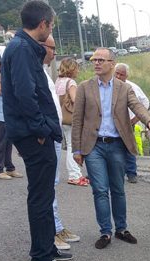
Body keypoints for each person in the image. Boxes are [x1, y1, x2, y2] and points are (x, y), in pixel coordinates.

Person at [2, 0, 71, 261]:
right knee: (41, 196)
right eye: (51, 25)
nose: (50, 29)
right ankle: (40, 258)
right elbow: (24, 96)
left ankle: (47, 250)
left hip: (35, 132)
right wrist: (41, 130)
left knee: (44, 193)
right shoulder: (21, 50)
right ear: (42, 24)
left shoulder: (25, 48)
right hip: (34, 135)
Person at [71, 48, 150, 249]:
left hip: (117, 146)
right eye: (94, 60)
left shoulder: (124, 88)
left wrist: (149, 122)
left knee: (118, 189)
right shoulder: (85, 87)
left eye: (101, 60)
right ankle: (105, 232)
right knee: (100, 190)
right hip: (94, 146)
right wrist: (76, 150)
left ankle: (121, 228)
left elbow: (137, 106)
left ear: (112, 63)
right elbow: (77, 120)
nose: (96, 63)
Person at [42, 35, 80, 249]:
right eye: (52, 48)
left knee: (52, 184)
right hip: (49, 133)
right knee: (48, 185)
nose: (55, 53)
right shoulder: (38, 70)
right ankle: (52, 232)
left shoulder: (52, 77)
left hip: (56, 129)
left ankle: (56, 227)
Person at [55, 57, 89, 187]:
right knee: (73, 146)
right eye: (77, 68)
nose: (78, 70)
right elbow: (76, 100)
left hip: (61, 118)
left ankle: (75, 174)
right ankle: (75, 175)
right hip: (71, 118)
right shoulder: (71, 82)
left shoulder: (58, 81)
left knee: (69, 144)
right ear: (72, 69)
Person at [114, 63, 150, 184]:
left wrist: (135, 119)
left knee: (129, 146)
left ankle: (131, 173)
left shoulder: (131, 87)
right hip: (112, 122)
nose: (118, 76)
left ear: (126, 75)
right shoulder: (108, 85)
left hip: (128, 122)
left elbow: (145, 103)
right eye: (116, 73)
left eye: (121, 74)